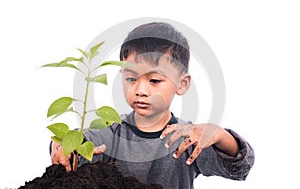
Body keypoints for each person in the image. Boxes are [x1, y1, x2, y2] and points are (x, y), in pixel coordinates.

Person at [51, 22, 254, 188]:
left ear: (182, 84)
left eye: (154, 81)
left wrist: (217, 133)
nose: (140, 90)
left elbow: (240, 166)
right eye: (131, 79)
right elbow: (78, 144)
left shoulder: (187, 139)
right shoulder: (113, 132)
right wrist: (59, 146)